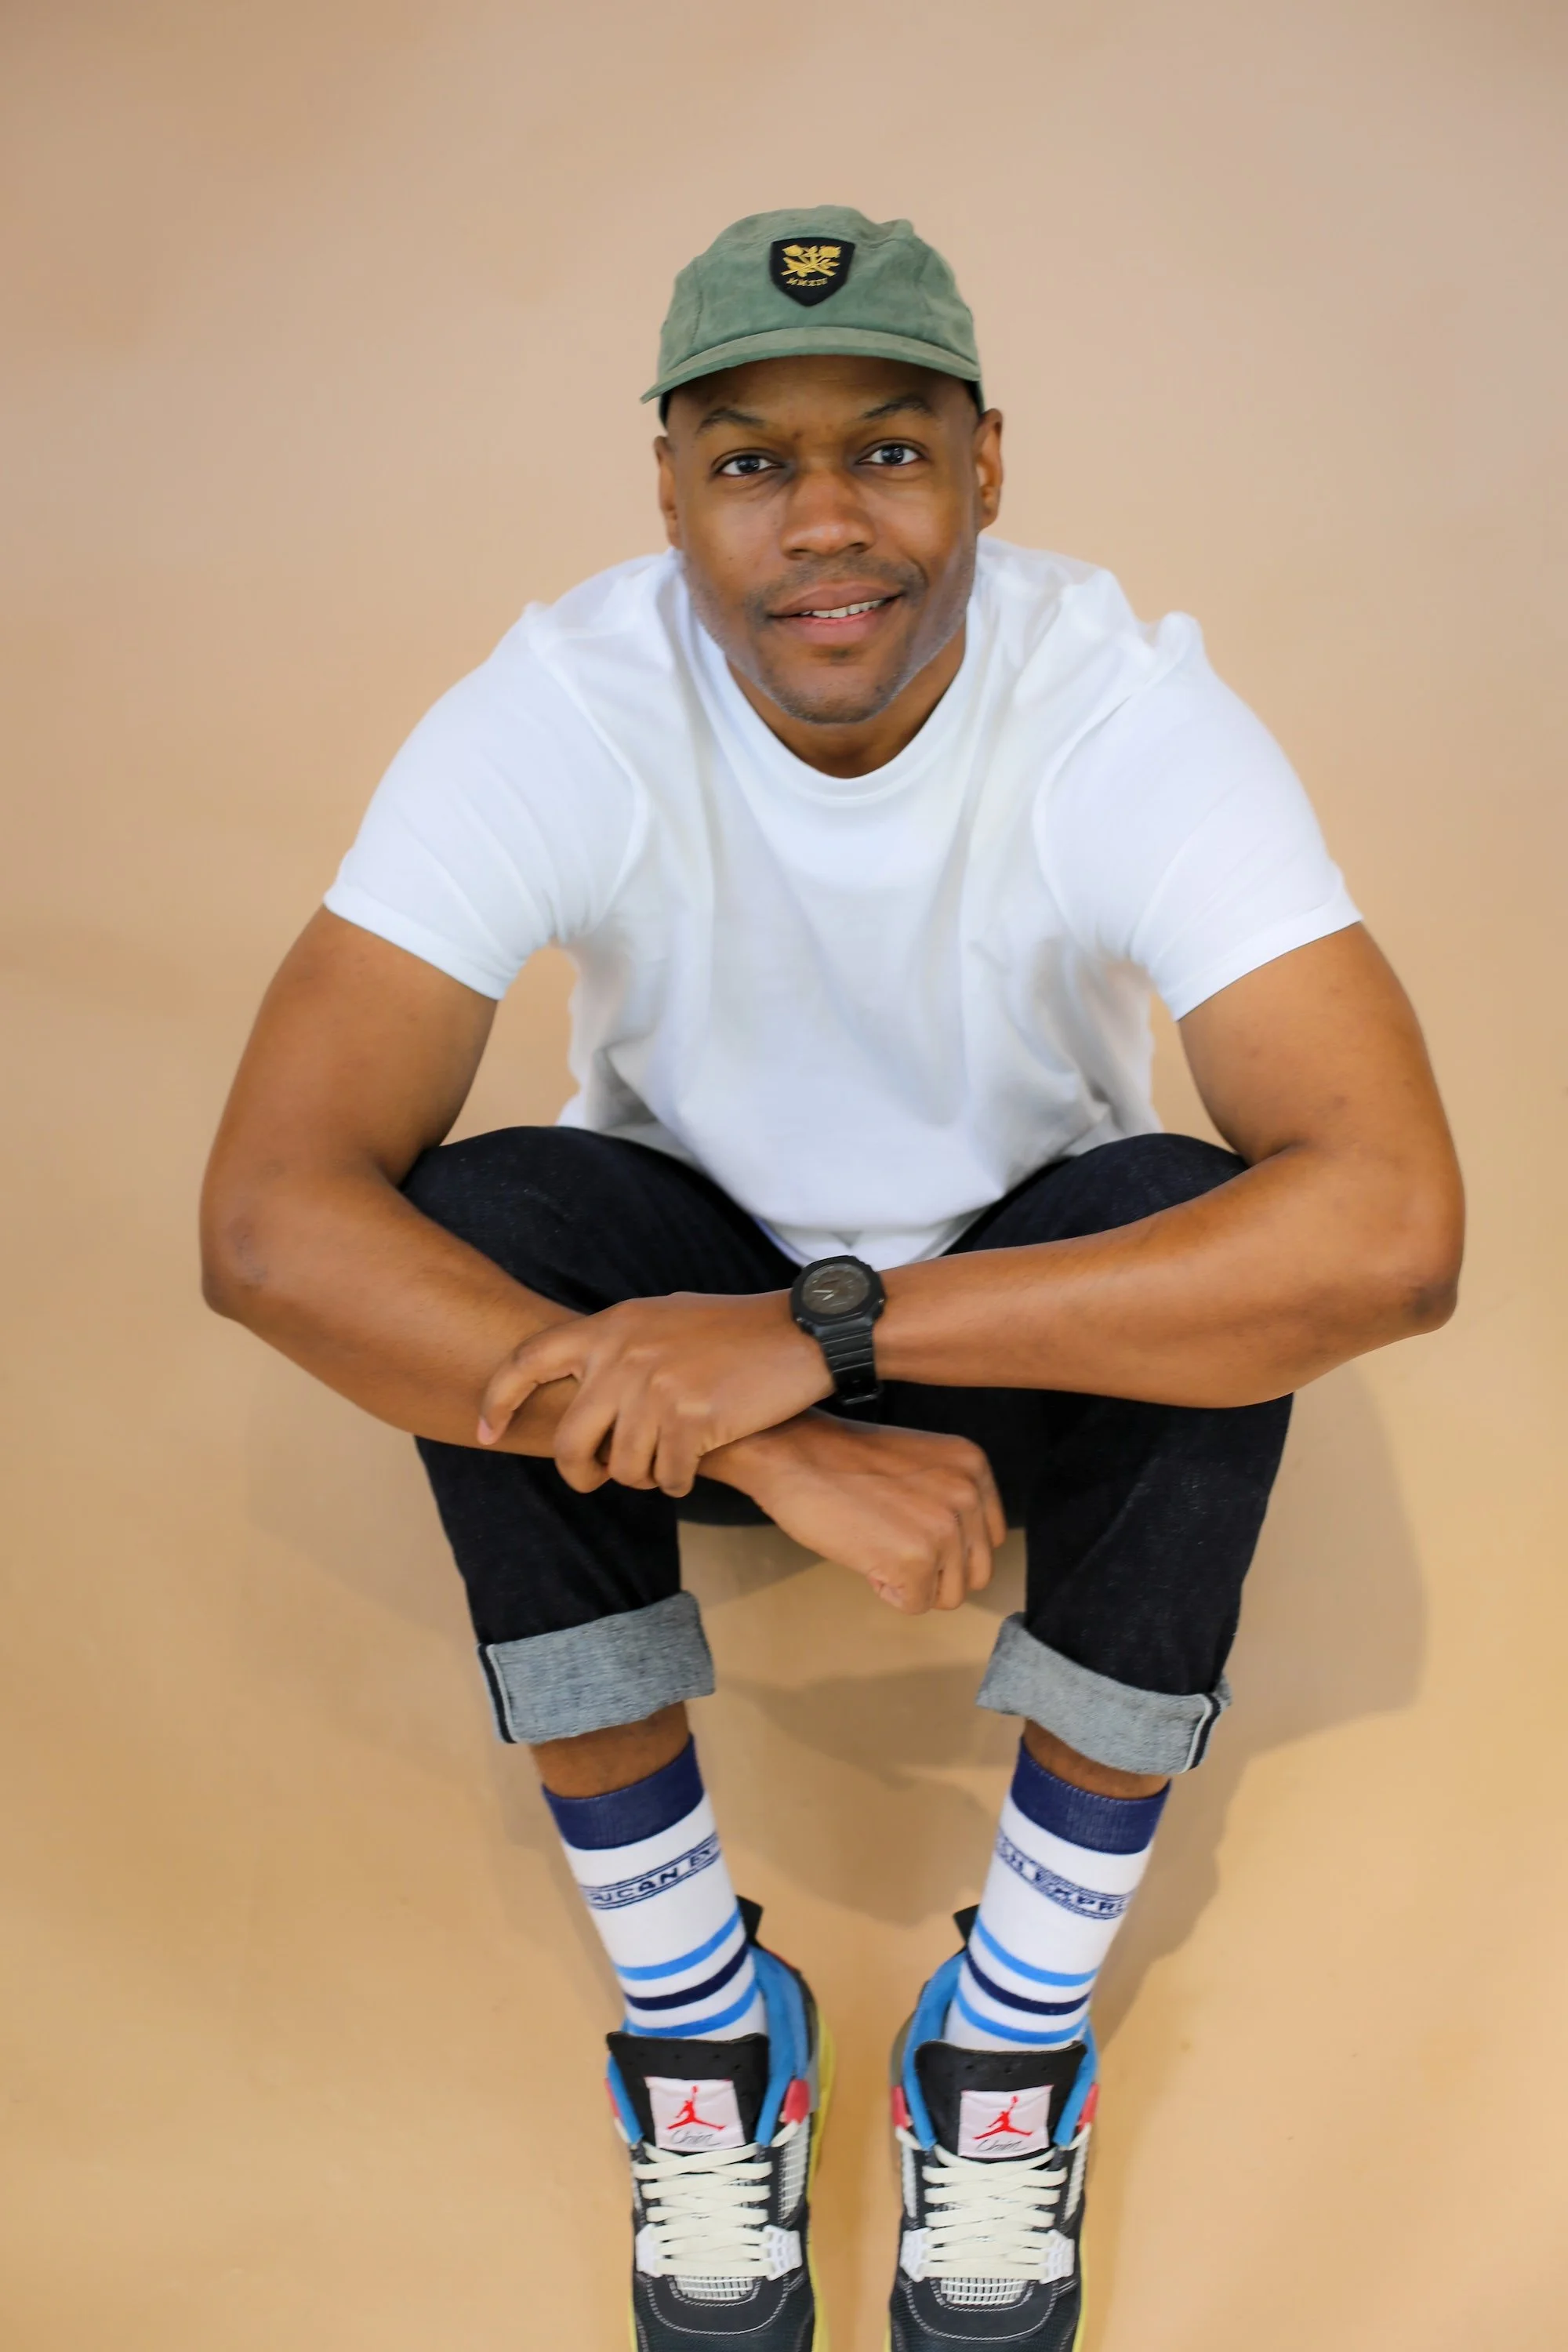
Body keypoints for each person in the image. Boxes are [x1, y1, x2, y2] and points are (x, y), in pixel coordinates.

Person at [200, 206, 1464, 2350]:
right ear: (671, 494)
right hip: (677, 1338)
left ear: (989, 465)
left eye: (886, 450)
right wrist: (770, 1436)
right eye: (750, 461)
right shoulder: (571, 700)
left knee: (1191, 1211)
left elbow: (1391, 1229)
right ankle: (709, 2025)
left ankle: (1012, 2033)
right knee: (493, 1229)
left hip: (1008, 1330)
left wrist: (833, 1342)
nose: (823, 523)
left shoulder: (1120, 705)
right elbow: (269, 1223)